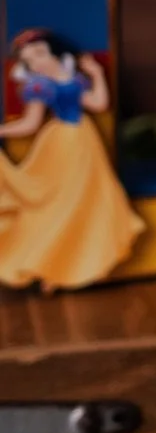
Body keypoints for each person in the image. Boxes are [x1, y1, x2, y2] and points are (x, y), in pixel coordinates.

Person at [0, 30, 146, 291]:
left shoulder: (73, 78)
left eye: (39, 54)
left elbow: (99, 104)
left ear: (55, 52)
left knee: (90, 201)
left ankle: (81, 263)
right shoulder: (39, 86)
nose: (36, 62)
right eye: (29, 60)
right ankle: (51, 266)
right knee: (59, 205)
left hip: (85, 142)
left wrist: (97, 74)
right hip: (59, 145)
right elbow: (30, 123)